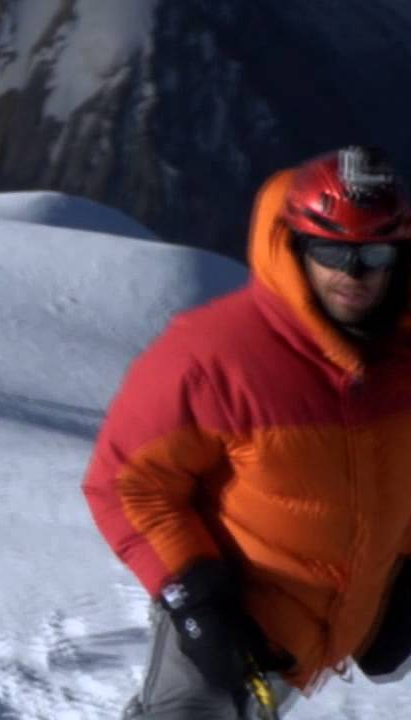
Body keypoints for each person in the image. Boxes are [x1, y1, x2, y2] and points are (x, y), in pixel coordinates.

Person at [83, 145, 411, 719]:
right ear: (298, 243)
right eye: (331, 250)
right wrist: (197, 604)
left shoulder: (402, 360)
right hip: (228, 620)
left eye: (373, 253)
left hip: (310, 639)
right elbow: (124, 483)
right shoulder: (216, 356)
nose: (352, 274)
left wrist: (401, 577)